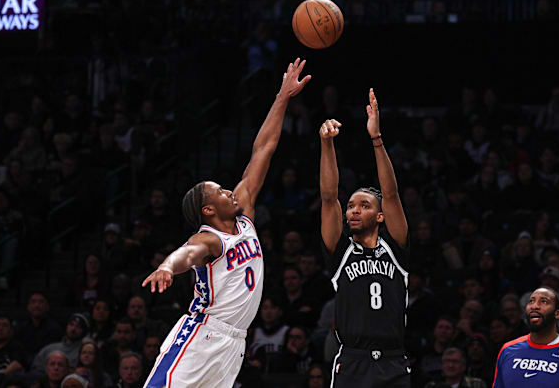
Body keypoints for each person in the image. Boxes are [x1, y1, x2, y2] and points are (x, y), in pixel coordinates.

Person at [141, 58, 310, 388]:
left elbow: (264, 148)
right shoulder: (209, 240)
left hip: (234, 344)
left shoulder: (244, 216)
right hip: (202, 333)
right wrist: (166, 266)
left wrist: (282, 96)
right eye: (219, 191)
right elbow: (186, 254)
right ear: (207, 211)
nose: (228, 190)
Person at [319, 88, 411, 387]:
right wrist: (327, 145)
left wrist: (376, 138)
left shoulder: (395, 246)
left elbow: (393, 194)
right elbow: (329, 196)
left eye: (364, 205)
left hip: (394, 360)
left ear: (380, 216)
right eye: (351, 206)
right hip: (352, 361)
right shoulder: (341, 250)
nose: (353, 211)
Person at [492, 287, 559, 388]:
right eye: (531, 301)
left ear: (557, 314)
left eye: (544, 302)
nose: (534, 306)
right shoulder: (508, 350)